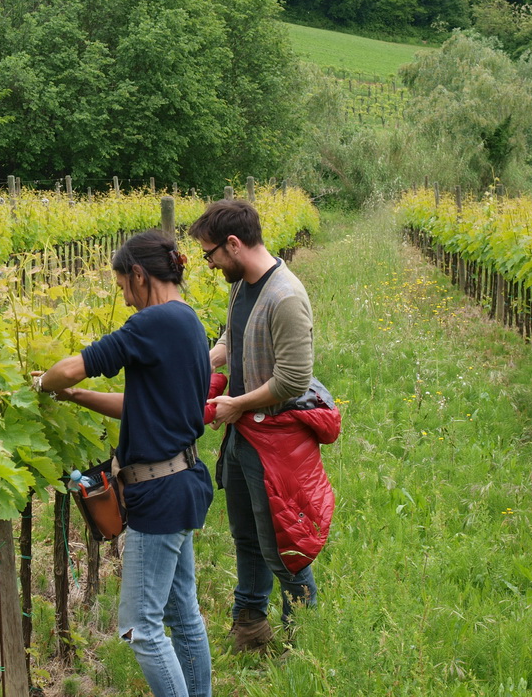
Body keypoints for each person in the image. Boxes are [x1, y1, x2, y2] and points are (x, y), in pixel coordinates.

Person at [33, 230, 214, 697]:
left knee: (140, 628)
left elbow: (72, 367)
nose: (126, 301)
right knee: (183, 616)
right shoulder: (188, 322)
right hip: (183, 480)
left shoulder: (151, 324)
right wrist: (75, 398)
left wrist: (47, 385)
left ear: (139, 274)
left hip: (160, 494)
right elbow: (139, 402)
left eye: (122, 289)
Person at [189, 199, 336, 654]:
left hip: (275, 439)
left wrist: (236, 405)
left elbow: (292, 379)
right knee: (246, 535)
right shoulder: (242, 286)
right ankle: (250, 625)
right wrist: (198, 362)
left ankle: (302, 640)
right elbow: (232, 339)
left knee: (283, 548)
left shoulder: (285, 296)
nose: (209, 263)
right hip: (243, 434)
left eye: (210, 253)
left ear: (234, 245)